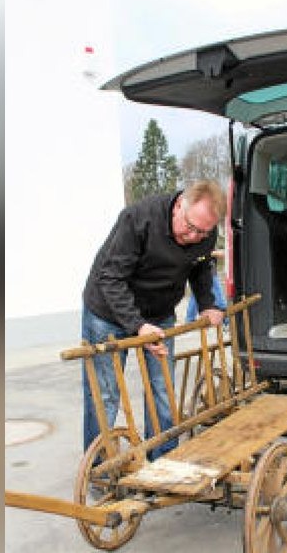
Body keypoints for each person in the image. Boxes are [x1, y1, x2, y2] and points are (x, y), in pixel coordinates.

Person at [80, 179, 227, 460]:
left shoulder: (204, 232)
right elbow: (110, 278)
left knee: (162, 387)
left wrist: (208, 304)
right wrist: (137, 325)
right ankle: (99, 469)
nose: (195, 236)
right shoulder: (138, 219)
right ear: (179, 205)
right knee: (105, 394)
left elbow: (200, 267)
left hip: (158, 314)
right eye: (191, 227)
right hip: (107, 312)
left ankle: (163, 460)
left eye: (203, 232)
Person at [186, 249, 227, 323]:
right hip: (206, 272)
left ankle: (189, 318)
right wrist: (214, 253)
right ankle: (226, 320)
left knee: (196, 295)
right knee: (219, 298)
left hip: (205, 271)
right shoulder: (200, 243)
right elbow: (200, 255)